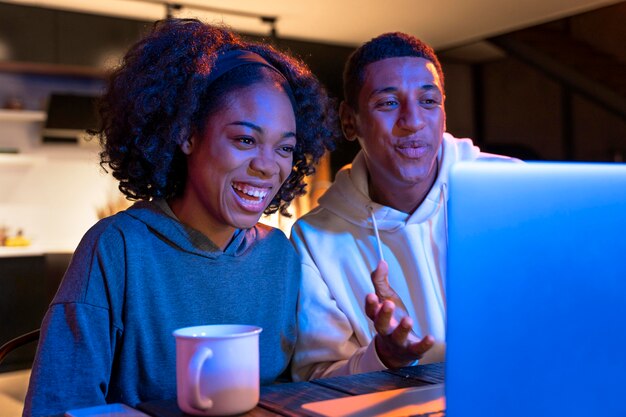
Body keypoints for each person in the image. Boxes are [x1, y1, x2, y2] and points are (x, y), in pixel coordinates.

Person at [23, 18, 338, 416]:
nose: (267, 166)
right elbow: (56, 407)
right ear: (187, 133)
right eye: (244, 139)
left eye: (284, 148)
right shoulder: (117, 249)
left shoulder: (281, 257)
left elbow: (295, 396)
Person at [290, 32, 516, 381]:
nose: (413, 121)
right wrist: (383, 357)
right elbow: (316, 377)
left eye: (428, 101)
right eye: (388, 103)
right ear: (350, 121)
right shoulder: (315, 239)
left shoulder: (508, 187)